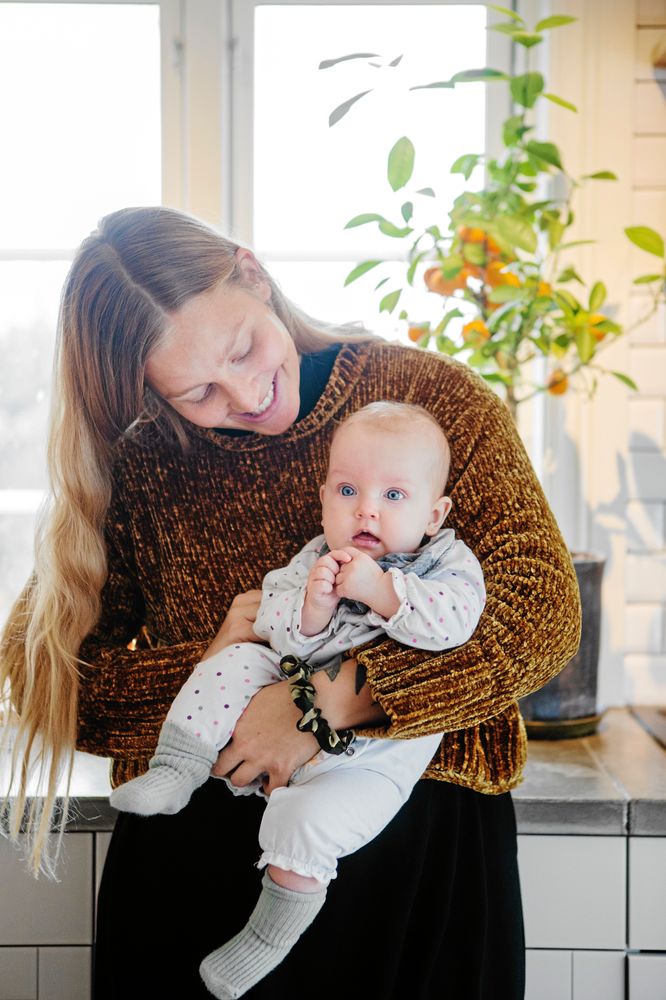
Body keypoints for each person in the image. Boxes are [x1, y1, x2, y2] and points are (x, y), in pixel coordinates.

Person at [0, 206, 581, 1000]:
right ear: (148, 391)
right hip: (194, 865)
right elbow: (46, 672)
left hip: (414, 851)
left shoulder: (426, 397)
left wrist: (320, 702)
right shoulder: (138, 464)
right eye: (199, 389)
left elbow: (542, 613)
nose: (245, 392)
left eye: (243, 347)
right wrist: (219, 682)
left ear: (254, 272)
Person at [109, 401, 486, 998]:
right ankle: (175, 767)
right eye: (347, 489)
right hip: (275, 697)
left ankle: (264, 941)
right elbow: (276, 625)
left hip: (376, 751)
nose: (366, 508)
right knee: (232, 659)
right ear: (323, 498)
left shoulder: (447, 563)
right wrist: (309, 611)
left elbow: (455, 628)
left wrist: (381, 590)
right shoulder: (313, 557)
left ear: (434, 513)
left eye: (394, 496)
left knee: (306, 827)